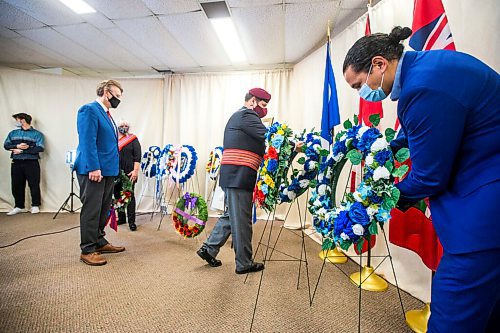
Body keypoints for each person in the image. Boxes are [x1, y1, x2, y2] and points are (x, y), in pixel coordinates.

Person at [343, 26, 500, 333]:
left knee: (452, 316)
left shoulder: (422, 87)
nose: (362, 93)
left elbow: (429, 177)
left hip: (483, 216)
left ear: (379, 64)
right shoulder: (428, 68)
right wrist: (382, 150)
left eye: (359, 85)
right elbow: (409, 136)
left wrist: (379, 199)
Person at [197, 88, 272, 274]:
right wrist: (294, 144)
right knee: (242, 220)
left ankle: (209, 248)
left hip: (234, 175)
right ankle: (244, 263)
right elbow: (271, 136)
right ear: (253, 101)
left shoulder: (241, 116)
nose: (264, 110)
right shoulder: (247, 115)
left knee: (232, 216)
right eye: (262, 105)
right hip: (239, 175)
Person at [73, 80, 126, 266]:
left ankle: (99, 240)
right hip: (94, 170)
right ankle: (87, 249)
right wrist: (93, 167)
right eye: (117, 96)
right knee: (92, 209)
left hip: (108, 170)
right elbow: (88, 141)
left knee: (104, 210)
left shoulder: (107, 115)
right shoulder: (89, 110)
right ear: (106, 92)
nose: (118, 100)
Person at [3, 113, 45, 215]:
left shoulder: (37, 134)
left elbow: (40, 148)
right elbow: (6, 145)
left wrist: (22, 151)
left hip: (31, 162)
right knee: (16, 185)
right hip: (16, 162)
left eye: (17, 120)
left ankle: (35, 205)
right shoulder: (13, 133)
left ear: (23, 120)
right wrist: (17, 146)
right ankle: (19, 206)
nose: (15, 122)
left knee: (34, 184)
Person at [114, 119, 141, 231]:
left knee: (129, 196)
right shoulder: (113, 139)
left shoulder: (133, 139)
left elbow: (137, 156)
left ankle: (131, 221)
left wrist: (135, 171)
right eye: (122, 125)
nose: (124, 127)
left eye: (126, 125)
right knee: (117, 195)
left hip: (129, 173)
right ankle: (121, 218)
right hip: (115, 172)